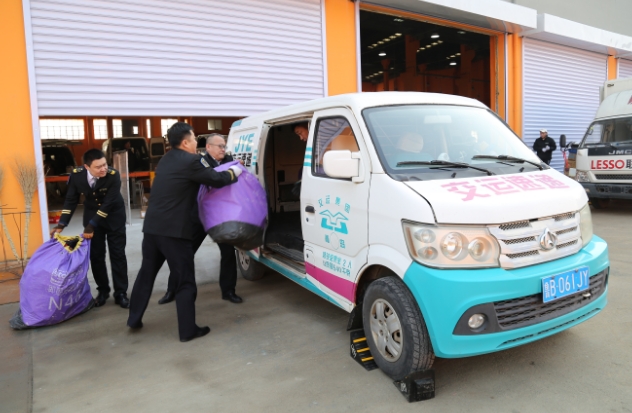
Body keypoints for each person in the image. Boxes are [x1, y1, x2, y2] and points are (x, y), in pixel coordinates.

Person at [127, 122, 241, 342]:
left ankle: (134, 318)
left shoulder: (166, 159)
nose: (196, 141)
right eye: (194, 138)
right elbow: (216, 180)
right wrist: (233, 172)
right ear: (186, 142)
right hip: (174, 232)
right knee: (185, 280)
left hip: (152, 228)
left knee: (146, 273)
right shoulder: (191, 161)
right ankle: (188, 330)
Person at [158, 133, 243, 306]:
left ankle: (229, 291)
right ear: (208, 147)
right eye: (219, 146)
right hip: (198, 216)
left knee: (228, 253)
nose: (223, 149)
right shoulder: (198, 162)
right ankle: (172, 290)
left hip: (220, 217)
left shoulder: (230, 161)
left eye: (224, 146)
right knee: (184, 254)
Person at [50, 149, 130, 308]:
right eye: (98, 167)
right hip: (91, 215)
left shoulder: (113, 176)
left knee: (118, 255)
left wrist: (90, 225)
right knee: (96, 256)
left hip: (114, 216)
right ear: (86, 167)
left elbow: (108, 204)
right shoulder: (77, 176)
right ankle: (103, 291)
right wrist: (61, 224)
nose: (104, 169)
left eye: (105, 164)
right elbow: (71, 200)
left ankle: (121, 293)